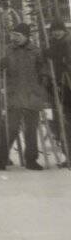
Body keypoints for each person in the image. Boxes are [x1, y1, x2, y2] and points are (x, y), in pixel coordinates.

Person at [0, 23, 48, 171]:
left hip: (32, 95)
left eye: (18, 35)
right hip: (14, 96)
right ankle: (0, 160)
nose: (15, 38)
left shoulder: (35, 51)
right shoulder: (7, 50)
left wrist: (44, 78)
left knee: (31, 130)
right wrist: (0, 65)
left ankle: (31, 160)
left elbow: (44, 69)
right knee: (10, 128)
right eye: (13, 35)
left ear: (26, 36)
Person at [44, 18, 71, 167]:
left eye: (59, 29)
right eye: (54, 30)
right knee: (62, 124)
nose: (56, 32)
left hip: (67, 86)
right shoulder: (51, 45)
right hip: (59, 88)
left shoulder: (68, 42)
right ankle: (68, 156)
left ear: (64, 30)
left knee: (67, 122)